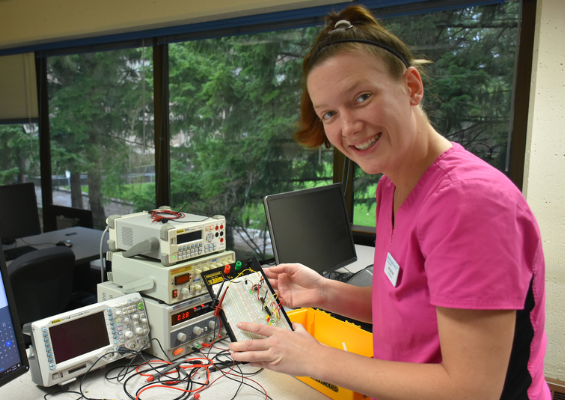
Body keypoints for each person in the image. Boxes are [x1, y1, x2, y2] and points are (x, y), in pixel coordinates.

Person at [228, 5, 549, 400]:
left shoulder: (469, 202)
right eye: (329, 113)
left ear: (412, 86)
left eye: (361, 97)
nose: (347, 127)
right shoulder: (393, 186)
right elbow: (406, 305)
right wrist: (324, 291)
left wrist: (313, 358)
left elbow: (471, 389)